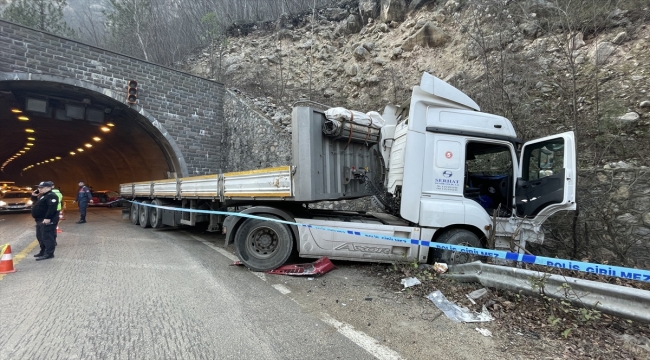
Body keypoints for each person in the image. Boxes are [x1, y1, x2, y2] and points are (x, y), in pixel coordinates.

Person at [30, 181, 59, 261]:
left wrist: (48, 218)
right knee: (40, 236)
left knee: (47, 237)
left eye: (41, 187)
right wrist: (34, 196)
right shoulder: (43, 196)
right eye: (39, 187)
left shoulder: (51, 195)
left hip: (46, 220)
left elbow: (52, 208)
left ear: (48, 188)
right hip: (39, 220)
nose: (39, 189)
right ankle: (43, 251)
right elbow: (35, 203)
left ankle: (49, 253)